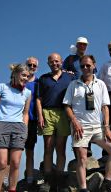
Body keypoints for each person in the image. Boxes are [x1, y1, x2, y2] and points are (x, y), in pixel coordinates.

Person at [63, 55, 111, 192]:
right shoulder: (73, 85)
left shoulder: (100, 84)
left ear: (94, 65)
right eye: (82, 66)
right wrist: (74, 122)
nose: (85, 68)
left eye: (88, 65)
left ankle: (107, 181)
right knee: (82, 158)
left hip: (98, 127)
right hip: (80, 127)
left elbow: (105, 107)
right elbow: (67, 106)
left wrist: (106, 128)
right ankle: (83, 188)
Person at [36, 53, 74, 191]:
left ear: (61, 62)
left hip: (64, 113)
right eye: (51, 62)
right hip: (47, 113)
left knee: (61, 148)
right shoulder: (43, 78)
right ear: (48, 63)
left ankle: (58, 178)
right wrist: (40, 115)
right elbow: (38, 99)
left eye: (57, 61)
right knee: (48, 147)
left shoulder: (70, 77)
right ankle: (47, 179)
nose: (54, 64)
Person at [0, 64, 31, 192]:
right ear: (15, 74)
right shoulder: (1, 87)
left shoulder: (27, 93)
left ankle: (12, 189)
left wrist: (25, 129)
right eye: (23, 75)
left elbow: (25, 113)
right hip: (2, 125)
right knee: (2, 163)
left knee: (15, 163)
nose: (26, 78)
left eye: (28, 76)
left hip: (19, 127)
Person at [63, 36, 94, 157]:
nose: (82, 46)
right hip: (74, 91)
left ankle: (88, 148)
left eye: (84, 45)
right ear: (77, 45)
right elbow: (62, 71)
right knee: (75, 120)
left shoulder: (88, 59)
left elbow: (93, 73)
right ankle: (78, 149)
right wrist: (67, 72)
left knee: (89, 118)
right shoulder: (70, 59)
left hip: (87, 92)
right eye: (80, 44)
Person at [24, 56, 39, 187]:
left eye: (34, 65)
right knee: (13, 152)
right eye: (30, 65)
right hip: (17, 121)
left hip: (32, 121)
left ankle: (29, 180)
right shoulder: (19, 81)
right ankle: (5, 183)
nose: (32, 67)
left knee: (30, 152)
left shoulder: (39, 83)